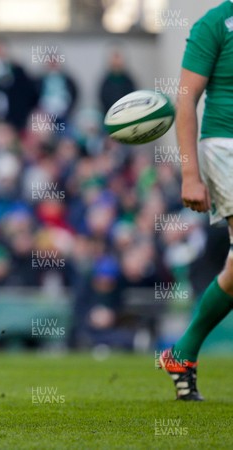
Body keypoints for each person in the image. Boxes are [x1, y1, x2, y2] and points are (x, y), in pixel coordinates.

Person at [158, 1, 233, 401]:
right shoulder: (215, 23)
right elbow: (185, 100)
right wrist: (190, 174)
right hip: (225, 146)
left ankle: (182, 353)